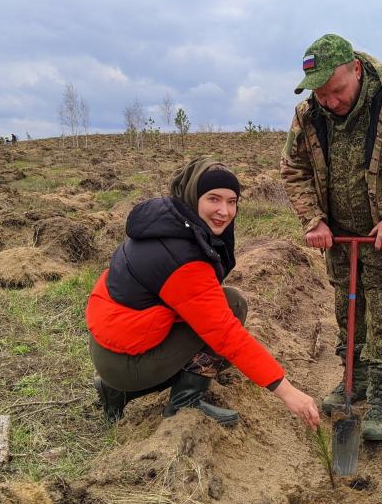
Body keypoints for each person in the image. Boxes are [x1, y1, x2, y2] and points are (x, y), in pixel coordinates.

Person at [280, 34, 382, 441]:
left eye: (336, 90)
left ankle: (380, 393)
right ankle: (351, 377)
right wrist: (313, 220)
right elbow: (294, 169)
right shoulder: (308, 115)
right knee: (347, 305)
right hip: (338, 236)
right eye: (321, 93)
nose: (330, 101)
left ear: (356, 69)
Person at [85, 156, 319, 430]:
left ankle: (118, 393)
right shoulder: (181, 258)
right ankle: (184, 402)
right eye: (214, 199)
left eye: (232, 202)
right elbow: (226, 335)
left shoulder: (167, 222)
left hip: (113, 344)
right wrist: (289, 393)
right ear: (193, 196)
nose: (224, 211)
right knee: (231, 309)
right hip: (125, 359)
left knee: (225, 306)